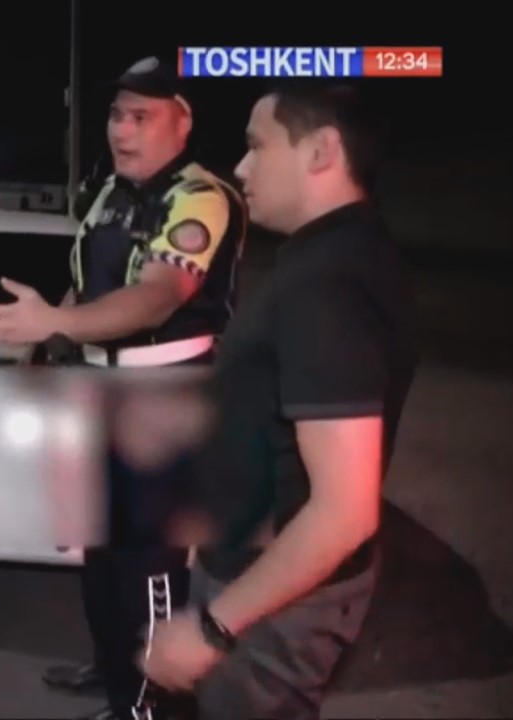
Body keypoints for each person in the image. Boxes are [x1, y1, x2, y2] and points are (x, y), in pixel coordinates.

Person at [0, 56, 247, 720]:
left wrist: (56, 323)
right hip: (98, 384)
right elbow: (85, 286)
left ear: (182, 122)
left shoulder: (199, 196)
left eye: (141, 116)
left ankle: (151, 705)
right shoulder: (112, 192)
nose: (121, 130)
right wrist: (45, 345)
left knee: (149, 567)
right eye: (116, 115)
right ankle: (116, 674)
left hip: (163, 392)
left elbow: (157, 296)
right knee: (100, 556)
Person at [140, 82, 417, 720]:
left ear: (321, 152)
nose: (240, 168)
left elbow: (344, 512)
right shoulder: (333, 256)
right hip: (255, 578)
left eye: (257, 146)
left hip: (273, 607)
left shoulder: (329, 286)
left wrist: (214, 627)